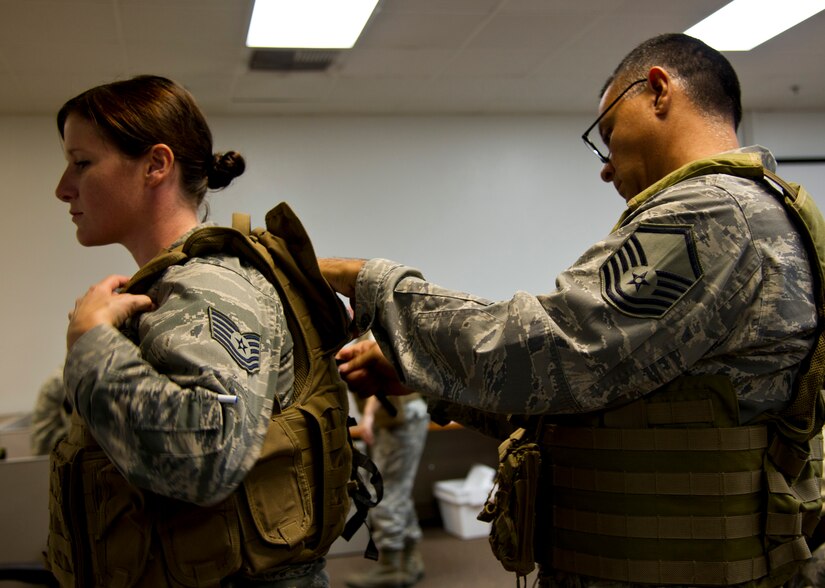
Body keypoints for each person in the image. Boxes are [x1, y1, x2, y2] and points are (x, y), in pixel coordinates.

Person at [320, 33, 825, 587]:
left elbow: (555, 345)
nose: (605, 168)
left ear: (658, 91)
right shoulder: (743, 209)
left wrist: (370, 280)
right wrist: (425, 381)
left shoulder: (712, 213)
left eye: (607, 134)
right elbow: (580, 394)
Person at [49, 75, 349, 588]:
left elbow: (208, 457)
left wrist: (92, 345)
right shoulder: (172, 284)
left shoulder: (207, 285)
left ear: (156, 165)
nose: (63, 188)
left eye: (82, 163)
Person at [345, 333, 430, 588]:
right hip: (404, 417)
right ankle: (410, 560)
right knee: (398, 489)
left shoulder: (372, 328)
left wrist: (368, 417)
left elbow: (378, 380)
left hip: (397, 419)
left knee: (386, 491)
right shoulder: (377, 323)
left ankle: (392, 566)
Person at [30, 365, 71, 455]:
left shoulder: (66, 375)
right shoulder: (62, 379)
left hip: (49, 451)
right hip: (48, 451)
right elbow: (74, 428)